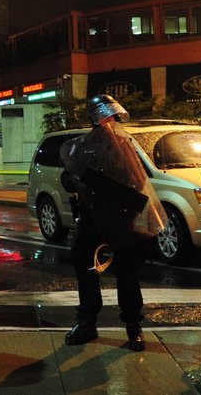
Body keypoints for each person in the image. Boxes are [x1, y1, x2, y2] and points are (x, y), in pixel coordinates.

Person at [60, 94, 161, 351]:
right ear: (95, 118)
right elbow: (69, 174)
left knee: (127, 272)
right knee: (86, 267)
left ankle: (133, 325)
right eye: (107, 116)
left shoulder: (124, 144)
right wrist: (73, 182)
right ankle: (86, 322)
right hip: (92, 217)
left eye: (113, 116)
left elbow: (139, 178)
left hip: (121, 217)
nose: (111, 120)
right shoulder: (82, 146)